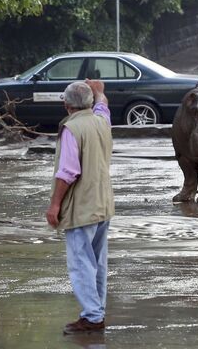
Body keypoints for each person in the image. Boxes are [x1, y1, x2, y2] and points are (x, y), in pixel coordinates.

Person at [46, 79, 114, 335]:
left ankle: (93, 316)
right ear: (89, 103)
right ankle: (96, 311)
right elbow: (103, 106)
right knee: (97, 261)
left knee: (81, 262)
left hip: (82, 207)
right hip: (103, 203)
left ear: (66, 105)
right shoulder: (101, 121)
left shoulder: (71, 129)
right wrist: (99, 92)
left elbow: (67, 173)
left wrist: (54, 205)